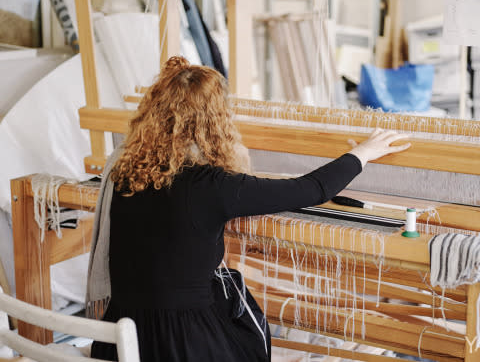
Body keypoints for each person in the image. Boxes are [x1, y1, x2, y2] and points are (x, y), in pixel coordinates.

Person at [90, 56, 410, 362]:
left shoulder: (127, 171)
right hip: (180, 345)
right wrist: (363, 153)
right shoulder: (211, 185)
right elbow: (310, 189)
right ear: (216, 121)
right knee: (247, 332)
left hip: (120, 336)